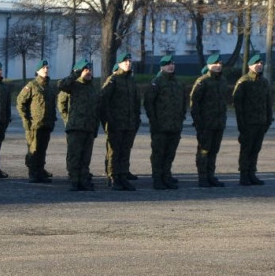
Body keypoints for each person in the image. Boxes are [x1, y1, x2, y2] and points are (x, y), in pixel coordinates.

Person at [99, 52, 141, 191]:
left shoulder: (131, 81)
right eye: (125, 61)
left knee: (125, 151)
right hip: (115, 123)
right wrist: (108, 122)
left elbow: (136, 102)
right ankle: (113, 177)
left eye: (129, 61)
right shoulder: (113, 80)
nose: (128, 63)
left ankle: (123, 176)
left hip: (129, 123)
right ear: (119, 64)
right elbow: (103, 101)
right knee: (114, 152)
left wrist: (136, 119)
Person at [143, 54, 186, 190]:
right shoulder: (157, 82)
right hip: (160, 126)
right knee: (158, 153)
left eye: (172, 63)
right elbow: (149, 103)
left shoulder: (178, 83)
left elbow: (183, 102)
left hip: (174, 125)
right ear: (162, 66)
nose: (171, 66)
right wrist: (153, 121)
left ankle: (166, 176)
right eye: (167, 64)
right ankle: (157, 179)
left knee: (170, 153)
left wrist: (181, 117)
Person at [57, 59, 100, 191]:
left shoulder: (92, 88)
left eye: (90, 70)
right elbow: (60, 85)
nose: (88, 72)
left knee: (85, 157)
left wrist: (95, 128)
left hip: (89, 127)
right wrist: (75, 74)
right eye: (85, 70)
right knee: (74, 156)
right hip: (76, 127)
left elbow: (97, 109)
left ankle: (83, 180)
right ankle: (74, 180)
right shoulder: (74, 85)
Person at [233, 53, 274, 186]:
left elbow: (268, 102)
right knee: (246, 149)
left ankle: (252, 173)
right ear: (250, 66)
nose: (260, 65)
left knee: (256, 149)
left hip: (261, 122)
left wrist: (268, 119)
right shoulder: (244, 81)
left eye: (261, 63)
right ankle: (244, 174)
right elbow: (238, 104)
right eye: (257, 63)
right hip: (248, 122)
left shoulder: (264, 82)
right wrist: (241, 124)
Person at [190, 53, 229, 187]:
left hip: (218, 122)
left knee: (214, 150)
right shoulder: (202, 81)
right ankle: (202, 177)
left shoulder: (223, 81)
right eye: (215, 64)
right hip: (205, 123)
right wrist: (198, 122)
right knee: (204, 151)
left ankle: (210, 175)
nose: (218, 66)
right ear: (209, 66)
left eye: (220, 63)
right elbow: (194, 103)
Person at [16, 60, 57, 183]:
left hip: (46, 123)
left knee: (42, 149)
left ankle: (40, 171)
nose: (46, 69)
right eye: (43, 67)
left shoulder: (49, 87)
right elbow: (20, 102)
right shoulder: (32, 85)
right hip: (34, 124)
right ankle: (33, 172)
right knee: (33, 149)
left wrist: (53, 119)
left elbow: (52, 104)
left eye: (47, 67)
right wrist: (26, 119)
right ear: (37, 71)